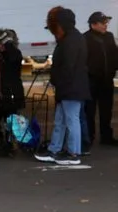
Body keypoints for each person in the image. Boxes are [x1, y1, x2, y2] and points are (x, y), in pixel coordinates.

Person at [35, 8, 90, 166]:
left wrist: (56, 80)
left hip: (71, 88)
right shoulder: (72, 38)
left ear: (59, 25)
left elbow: (68, 67)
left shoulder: (70, 41)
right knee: (62, 120)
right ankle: (55, 149)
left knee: (71, 120)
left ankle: (73, 153)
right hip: (70, 87)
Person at [0, 29, 24, 157]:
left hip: (10, 95)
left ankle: (9, 146)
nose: (1, 46)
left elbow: (13, 56)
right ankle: (1, 141)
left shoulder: (14, 55)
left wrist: (7, 43)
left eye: (3, 44)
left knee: (10, 122)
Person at [84, 11, 118, 146]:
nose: (105, 25)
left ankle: (106, 137)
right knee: (89, 111)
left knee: (106, 110)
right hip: (91, 81)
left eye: (106, 22)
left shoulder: (109, 37)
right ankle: (89, 137)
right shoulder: (85, 38)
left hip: (106, 80)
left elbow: (115, 55)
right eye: (102, 23)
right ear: (93, 24)